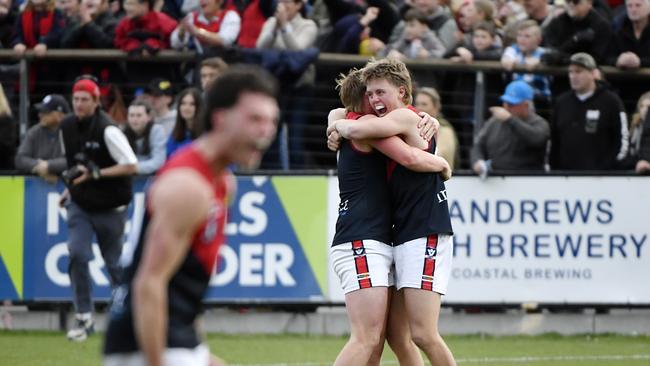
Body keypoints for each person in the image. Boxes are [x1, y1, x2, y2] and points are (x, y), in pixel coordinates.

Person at [103, 65, 280, 366]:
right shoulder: (188, 187)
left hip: (174, 338)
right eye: (255, 119)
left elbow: (183, 288)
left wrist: (200, 352)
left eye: (272, 120)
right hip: (145, 346)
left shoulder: (223, 182)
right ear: (220, 118)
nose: (266, 131)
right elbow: (149, 283)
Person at [328, 58, 456, 366]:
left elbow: (411, 156)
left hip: (422, 229)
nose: (374, 100)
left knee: (421, 334)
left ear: (401, 91)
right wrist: (341, 124)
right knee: (391, 337)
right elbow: (408, 156)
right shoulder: (367, 127)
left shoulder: (400, 121)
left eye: (380, 93)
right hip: (390, 235)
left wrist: (342, 126)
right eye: (370, 94)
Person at [60, 76, 137, 341]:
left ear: (96, 102)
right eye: (76, 99)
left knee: (114, 264)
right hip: (81, 203)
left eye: (84, 99)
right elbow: (77, 166)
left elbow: (131, 165)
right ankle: (84, 317)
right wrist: (70, 189)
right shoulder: (67, 126)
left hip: (111, 206)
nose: (79, 104)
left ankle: (126, 318)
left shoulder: (109, 129)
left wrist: (97, 174)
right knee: (77, 253)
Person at [550, 53, 629, 170]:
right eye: (570, 72)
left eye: (579, 71)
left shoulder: (611, 102)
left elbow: (622, 140)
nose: (573, 76)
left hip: (601, 178)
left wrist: (608, 168)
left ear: (593, 74)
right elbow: (554, 141)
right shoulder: (561, 103)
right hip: (566, 178)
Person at [470, 80, 550, 177]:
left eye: (511, 104)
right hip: (497, 180)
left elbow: (536, 139)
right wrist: (477, 162)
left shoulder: (539, 123)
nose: (506, 107)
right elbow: (478, 145)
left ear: (526, 105)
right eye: (505, 102)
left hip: (528, 181)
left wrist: (510, 120)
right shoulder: (494, 121)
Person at [15, 94, 70, 180]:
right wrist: (39, 167)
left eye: (46, 112)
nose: (40, 115)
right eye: (40, 111)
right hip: (36, 188)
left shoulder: (71, 130)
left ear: (60, 115)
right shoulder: (34, 131)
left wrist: (49, 166)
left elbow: (74, 160)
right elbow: (20, 159)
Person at [543, 0, 613, 64]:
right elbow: (551, 53)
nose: (571, 4)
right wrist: (575, 40)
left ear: (589, 3)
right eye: (567, 1)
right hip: (558, 75)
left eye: (576, 1)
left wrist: (563, 58)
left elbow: (598, 58)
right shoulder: (556, 23)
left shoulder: (601, 26)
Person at [501, 20, 551, 100]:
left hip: (540, 99)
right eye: (519, 35)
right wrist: (508, 60)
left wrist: (540, 61)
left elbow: (553, 56)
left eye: (527, 36)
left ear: (538, 40)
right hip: (516, 97)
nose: (522, 39)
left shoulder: (543, 53)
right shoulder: (514, 49)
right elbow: (507, 58)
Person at [170, 0, 240, 53]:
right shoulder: (192, 17)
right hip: (197, 63)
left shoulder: (230, 16)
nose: (203, 1)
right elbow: (175, 43)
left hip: (223, 64)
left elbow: (225, 40)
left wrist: (197, 32)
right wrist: (181, 33)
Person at [415, 87, 459, 169]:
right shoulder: (417, 126)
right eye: (417, 104)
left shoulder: (445, 130)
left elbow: (438, 155)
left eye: (424, 104)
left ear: (436, 108)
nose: (419, 108)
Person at [382, 8, 447, 60]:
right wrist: (393, 52)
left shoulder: (430, 37)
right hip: (408, 72)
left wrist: (428, 54)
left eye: (412, 25)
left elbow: (443, 52)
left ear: (424, 27)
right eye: (406, 26)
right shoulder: (405, 38)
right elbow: (393, 48)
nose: (407, 29)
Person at [124, 100, 167, 174]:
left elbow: (159, 162)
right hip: (128, 177)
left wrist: (133, 168)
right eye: (131, 115)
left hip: (152, 177)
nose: (134, 119)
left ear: (149, 117)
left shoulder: (157, 130)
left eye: (139, 115)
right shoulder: (122, 132)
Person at [167, 87, 202, 157]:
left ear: (199, 107)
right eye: (183, 103)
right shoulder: (175, 134)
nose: (186, 108)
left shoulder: (207, 134)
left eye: (192, 104)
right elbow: (169, 158)